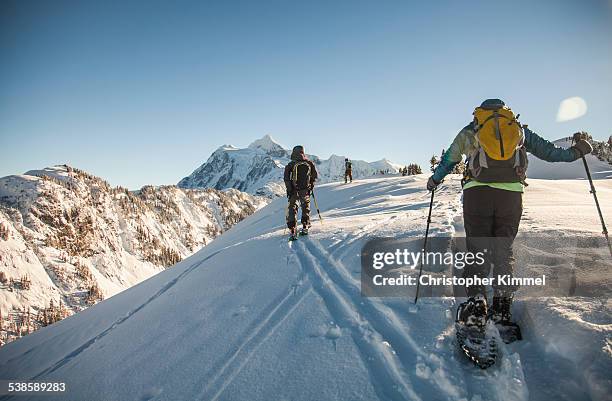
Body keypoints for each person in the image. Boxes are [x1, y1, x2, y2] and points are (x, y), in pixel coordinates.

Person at [427, 98, 593, 338]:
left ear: (481, 112)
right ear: (506, 112)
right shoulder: (519, 130)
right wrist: (577, 151)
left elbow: (450, 158)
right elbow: (551, 153)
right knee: (503, 250)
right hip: (510, 195)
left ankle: (476, 304)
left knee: (478, 247)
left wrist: (435, 179)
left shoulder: (473, 129)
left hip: (477, 193)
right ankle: (502, 307)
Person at [284, 145, 318, 239]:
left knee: (292, 208)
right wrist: (311, 186)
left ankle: (292, 230)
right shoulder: (309, 163)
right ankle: (305, 226)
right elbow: (314, 176)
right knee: (305, 206)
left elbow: (286, 179)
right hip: (305, 189)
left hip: (294, 190)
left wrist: (289, 190)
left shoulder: (291, 165)